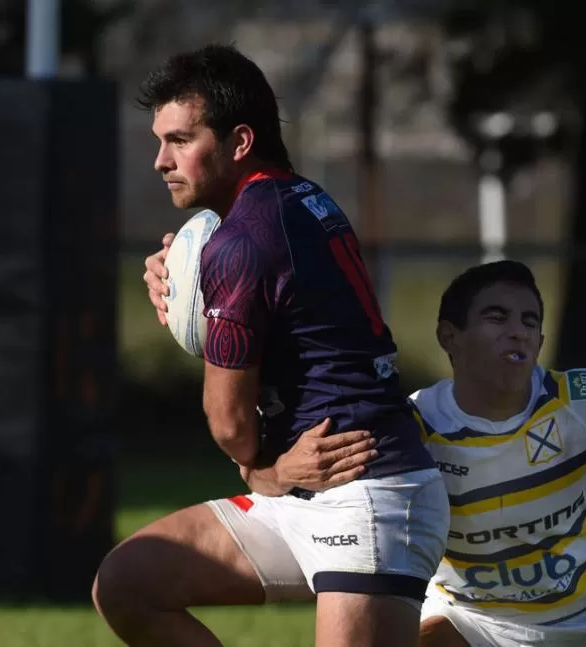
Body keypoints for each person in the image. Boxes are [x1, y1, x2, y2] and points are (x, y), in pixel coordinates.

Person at [141, 258, 586, 647]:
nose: (518, 329)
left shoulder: (585, 396)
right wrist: (273, 467)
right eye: (497, 316)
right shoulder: (412, 427)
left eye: (530, 319)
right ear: (449, 336)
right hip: (473, 624)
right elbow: (329, 483)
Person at [92, 44, 450, 647]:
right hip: (308, 484)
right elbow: (287, 330)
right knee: (129, 583)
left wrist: (264, 469)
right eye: (160, 141)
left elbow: (229, 423)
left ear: (239, 142)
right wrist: (190, 288)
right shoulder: (297, 199)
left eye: (181, 140)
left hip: (363, 492)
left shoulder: (246, 241)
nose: (161, 160)